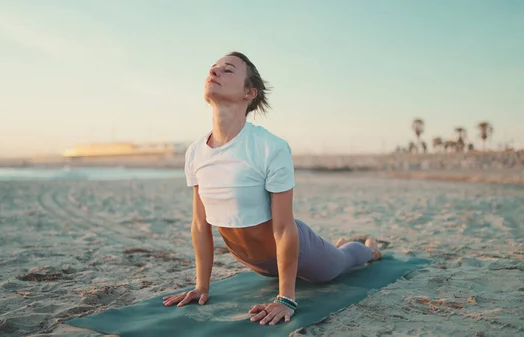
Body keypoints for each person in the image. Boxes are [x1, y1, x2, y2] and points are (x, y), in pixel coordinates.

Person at [162, 51, 382, 326]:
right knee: (328, 254)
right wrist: (201, 287)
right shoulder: (195, 152)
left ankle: (369, 249)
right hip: (256, 265)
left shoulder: (270, 147)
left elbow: (284, 228)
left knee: (340, 263)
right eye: (213, 68)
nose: (214, 72)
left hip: (295, 249)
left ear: (249, 93)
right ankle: (335, 246)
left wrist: (286, 298)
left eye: (227, 70)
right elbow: (199, 225)